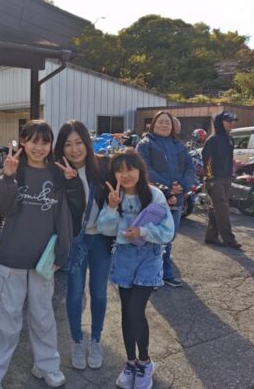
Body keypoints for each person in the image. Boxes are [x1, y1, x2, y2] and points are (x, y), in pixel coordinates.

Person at [0, 120, 73, 389]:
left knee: (43, 317)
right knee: (5, 320)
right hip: (12, 256)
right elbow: (3, 208)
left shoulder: (57, 174)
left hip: (44, 260)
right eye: (33, 141)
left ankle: (47, 366)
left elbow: (64, 217)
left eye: (45, 142)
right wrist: (7, 177)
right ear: (22, 141)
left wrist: (62, 252)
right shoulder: (14, 170)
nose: (39, 147)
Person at [97, 149, 174, 389]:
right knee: (127, 312)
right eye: (119, 170)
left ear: (140, 170)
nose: (125, 174)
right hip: (124, 257)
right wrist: (111, 208)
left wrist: (143, 231)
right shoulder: (114, 196)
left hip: (149, 257)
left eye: (130, 168)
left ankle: (145, 362)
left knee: (135, 310)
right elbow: (105, 229)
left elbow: (168, 231)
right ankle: (130, 362)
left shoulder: (154, 195)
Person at [54, 120, 112, 370]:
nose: (74, 149)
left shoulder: (104, 166)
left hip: (101, 239)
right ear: (61, 148)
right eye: (68, 144)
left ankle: (96, 339)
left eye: (79, 142)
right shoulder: (57, 172)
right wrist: (69, 183)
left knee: (99, 292)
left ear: (87, 143)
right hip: (77, 240)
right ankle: (77, 341)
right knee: (75, 293)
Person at [136, 111, 195, 287]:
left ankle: (165, 272)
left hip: (177, 198)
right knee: (150, 236)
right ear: (153, 124)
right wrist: (167, 187)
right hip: (155, 197)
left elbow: (190, 169)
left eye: (167, 123)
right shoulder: (145, 144)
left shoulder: (180, 146)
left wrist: (182, 185)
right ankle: (148, 274)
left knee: (168, 236)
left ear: (172, 126)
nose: (164, 125)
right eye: (160, 122)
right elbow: (144, 169)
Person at [202, 111, 242, 249]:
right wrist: (211, 179)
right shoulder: (212, 140)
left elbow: (228, 159)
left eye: (232, 121)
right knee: (223, 210)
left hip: (226, 178)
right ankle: (229, 240)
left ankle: (211, 236)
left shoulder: (230, 139)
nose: (231, 123)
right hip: (215, 180)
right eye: (228, 120)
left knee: (217, 209)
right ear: (219, 122)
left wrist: (232, 172)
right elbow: (207, 161)